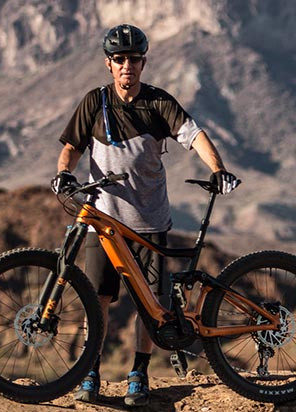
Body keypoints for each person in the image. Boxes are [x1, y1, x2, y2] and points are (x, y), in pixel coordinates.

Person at [51, 24, 239, 407]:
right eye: (119, 59)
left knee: (150, 306)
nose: (126, 66)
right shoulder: (95, 102)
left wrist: (217, 168)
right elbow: (71, 146)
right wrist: (64, 173)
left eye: (133, 59)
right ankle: (91, 372)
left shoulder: (158, 103)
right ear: (109, 64)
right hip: (104, 223)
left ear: (143, 62)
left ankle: (139, 373)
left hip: (150, 223)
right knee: (96, 300)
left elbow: (195, 135)